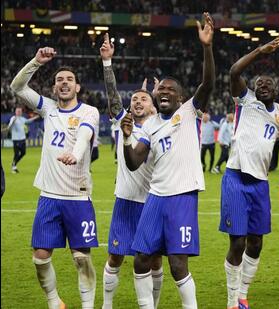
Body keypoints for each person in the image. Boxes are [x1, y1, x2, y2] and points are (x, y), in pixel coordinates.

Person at [122, 12, 215, 309]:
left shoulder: (188, 111)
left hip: (182, 197)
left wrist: (207, 47)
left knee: (177, 264)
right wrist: (126, 138)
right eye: (159, 88)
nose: (162, 91)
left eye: (169, 89)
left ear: (180, 96)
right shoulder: (149, 125)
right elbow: (135, 161)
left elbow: (209, 83)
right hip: (156, 197)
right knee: (140, 260)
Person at [10, 47, 100, 309]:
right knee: (40, 257)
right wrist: (36, 62)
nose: (64, 83)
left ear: (78, 87)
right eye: (59, 79)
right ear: (54, 88)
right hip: (49, 196)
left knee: (82, 258)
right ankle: (54, 302)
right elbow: (17, 87)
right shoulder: (47, 108)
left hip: (78, 197)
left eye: (69, 80)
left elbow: (84, 135)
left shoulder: (89, 111)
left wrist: (76, 153)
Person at [219, 36, 279, 309]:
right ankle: (232, 300)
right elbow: (234, 71)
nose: (263, 86)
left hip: (260, 182)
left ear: (275, 90)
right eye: (259, 84)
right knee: (237, 243)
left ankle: (243, 294)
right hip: (235, 177)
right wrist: (260, 50)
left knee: (256, 243)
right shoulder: (245, 101)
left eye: (268, 84)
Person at [99, 33, 164, 309]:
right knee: (115, 257)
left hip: (153, 202)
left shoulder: (162, 125)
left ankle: (153, 304)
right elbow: (114, 97)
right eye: (135, 98)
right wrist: (107, 62)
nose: (137, 101)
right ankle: (106, 305)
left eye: (143, 99)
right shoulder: (122, 122)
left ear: (153, 106)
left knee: (155, 259)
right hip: (125, 201)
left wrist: (159, 96)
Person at [7, 106, 39, 173]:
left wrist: (36, 117)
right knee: (16, 154)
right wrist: (13, 122)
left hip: (22, 138)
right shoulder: (13, 118)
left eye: (20, 111)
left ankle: (14, 164)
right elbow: (9, 127)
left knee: (23, 153)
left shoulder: (22, 118)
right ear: (15, 112)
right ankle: (14, 167)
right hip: (16, 139)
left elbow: (28, 121)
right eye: (18, 111)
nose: (19, 112)